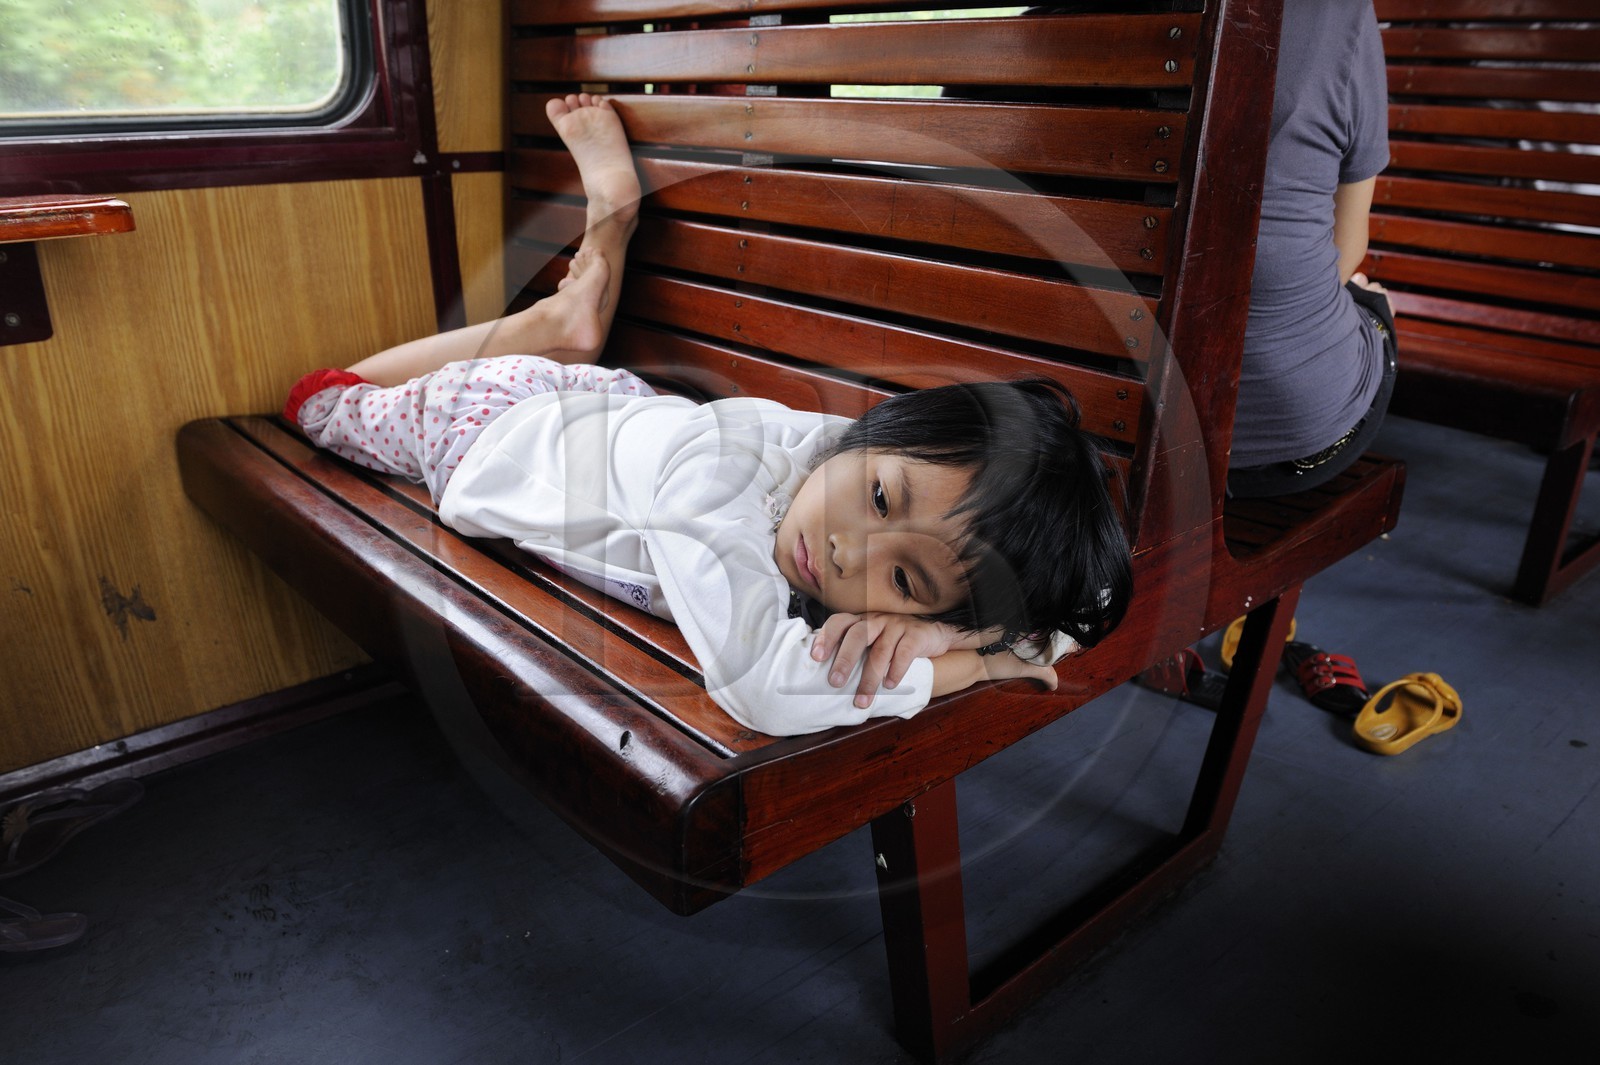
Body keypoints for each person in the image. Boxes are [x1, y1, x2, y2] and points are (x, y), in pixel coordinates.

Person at [284, 94, 1131, 737]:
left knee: (581, 375)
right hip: (485, 423)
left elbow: (1076, 595)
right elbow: (765, 688)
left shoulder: (888, 473)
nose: (851, 550)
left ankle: (572, 318)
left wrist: (964, 632)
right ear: (874, 430)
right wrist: (966, 668)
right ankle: (567, 297)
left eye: (903, 580)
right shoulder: (713, 492)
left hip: (624, 419)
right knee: (315, 399)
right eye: (878, 500)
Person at [1227, 0, 1397, 498]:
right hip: (1289, 428)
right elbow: (1349, 244)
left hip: (1087, 413)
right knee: (1370, 298)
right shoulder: (1336, 12)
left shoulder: (1058, 20)